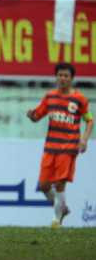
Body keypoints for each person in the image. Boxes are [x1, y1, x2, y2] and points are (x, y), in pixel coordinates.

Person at [27, 63, 93, 228]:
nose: (63, 78)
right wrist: (31, 115)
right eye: (60, 75)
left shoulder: (80, 99)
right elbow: (37, 116)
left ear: (71, 78)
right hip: (50, 147)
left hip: (68, 148)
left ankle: (56, 221)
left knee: (60, 183)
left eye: (66, 76)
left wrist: (84, 139)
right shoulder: (49, 97)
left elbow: (89, 120)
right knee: (43, 186)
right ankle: (62, 209)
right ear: (56, 77)